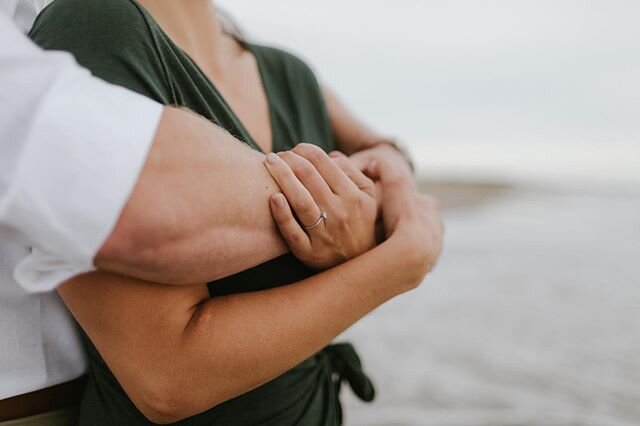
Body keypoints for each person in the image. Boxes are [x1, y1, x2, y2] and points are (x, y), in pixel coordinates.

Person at [0, 1, 442, 425]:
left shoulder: (289, 72)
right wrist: (395, 266)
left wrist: (392, 169)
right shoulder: (96, 27)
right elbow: (167, 380)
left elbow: (378, 155)